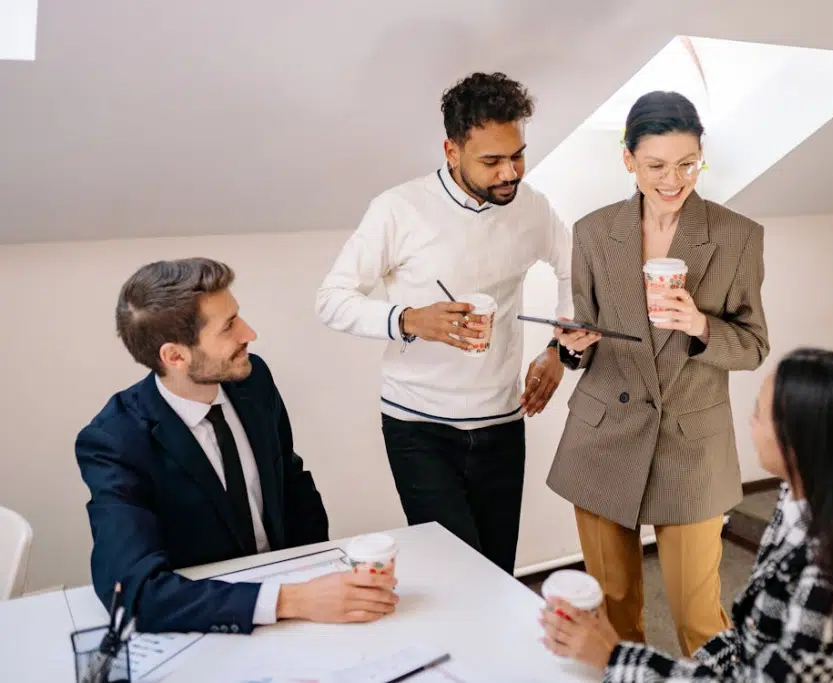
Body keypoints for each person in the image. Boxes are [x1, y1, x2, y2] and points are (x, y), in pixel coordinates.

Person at [540, 348, 833, 683]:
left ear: (801, 442)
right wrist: (630, 658)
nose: (750, 422)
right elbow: (750, 642)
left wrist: (614, 658)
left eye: (760, 414)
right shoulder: (802, 504)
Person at [315, 72, 571, 575]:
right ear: (451, 151)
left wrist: (559, 349)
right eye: (492, 161)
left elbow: (576, 270)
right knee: (458, 575)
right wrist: (407, 319)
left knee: (498, 572)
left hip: (502, 420)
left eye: (517, 155)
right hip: (418, 427)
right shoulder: (398, 209)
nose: (510, 173)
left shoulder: (532, 206)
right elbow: (331, 299)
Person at [545, 90, 769, 655]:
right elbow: (587, 339)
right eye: (657, 166)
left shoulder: (738, 236)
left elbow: (754, 345)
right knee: (613, 610)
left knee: (700, 617)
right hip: (603, 438)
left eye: (688, 163)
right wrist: (572, 345)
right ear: (628, 160)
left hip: (692, 444)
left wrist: (699, 324)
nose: (674, 179)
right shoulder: (593, 233)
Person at [75, 258, 398, 634]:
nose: (250, 333)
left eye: (237, 316)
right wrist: (293, 600)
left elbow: (290, 479)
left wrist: (321, 573)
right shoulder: (114, 440)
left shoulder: (252, 379)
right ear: (175, 356)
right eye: (229, 327)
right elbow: (133, 594)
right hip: (210, 620)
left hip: (305, 610)